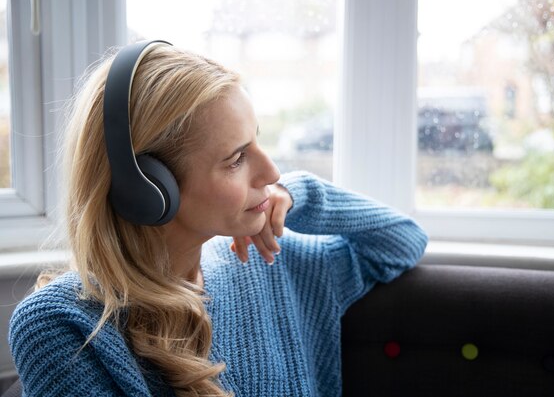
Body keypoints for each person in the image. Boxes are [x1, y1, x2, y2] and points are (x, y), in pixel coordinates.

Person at [7, 41, 428, 397]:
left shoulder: (266, 260)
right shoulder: (62, 327)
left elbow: (401, 241)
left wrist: (301, 196)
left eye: (257, 141)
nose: (272, 172)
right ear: (149, 189)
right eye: (236, 159)